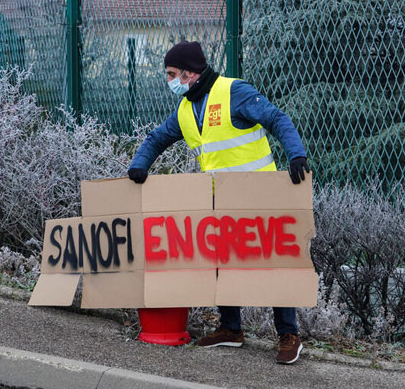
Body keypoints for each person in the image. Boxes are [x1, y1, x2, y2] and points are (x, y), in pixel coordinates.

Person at [127, 41, 311, 364]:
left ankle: (289, 334)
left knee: (273, 261)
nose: (168, 80)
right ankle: (231, 328)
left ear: (188, 72)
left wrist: (296, 155)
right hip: (219, 199)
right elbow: (157, 137)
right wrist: (140, 164)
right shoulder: (186, 109)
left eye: (171, 74)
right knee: (220, 258)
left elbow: (276, 118)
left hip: (259, 193)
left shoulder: (233, 92)